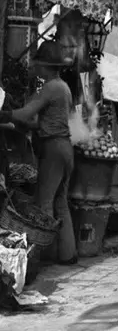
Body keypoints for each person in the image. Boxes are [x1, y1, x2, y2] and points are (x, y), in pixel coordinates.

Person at [0, 41, 77, 264]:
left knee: (44, 202)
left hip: (53, 148)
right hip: (64, 146)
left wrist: (5, 115)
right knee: (61, 202)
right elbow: (43, 121)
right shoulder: (63, 86)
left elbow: (26, 115)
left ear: (44, 65)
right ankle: (67, 255)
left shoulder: (52, 87)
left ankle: (45, 257)